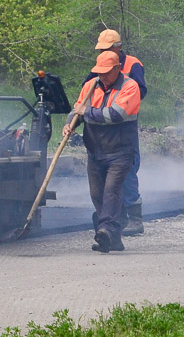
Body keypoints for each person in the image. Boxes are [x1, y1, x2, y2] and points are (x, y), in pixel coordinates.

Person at [63, 50, 141, 253]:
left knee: (111, 191)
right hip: (96, 150)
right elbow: (77, 109)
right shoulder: (91, 86)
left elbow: (115, 114)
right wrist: (70, 123)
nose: (102, 76)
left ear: (117, 69)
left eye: (106, 72)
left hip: (121, 151)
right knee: (97, 194)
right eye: (99, 72)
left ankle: (105, 230)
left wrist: (85, 112)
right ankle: (114, 237)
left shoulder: (130, 87)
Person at [93, 28, 147, 235]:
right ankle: (116, 218)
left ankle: (135, 219)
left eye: (106, 49)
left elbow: (140, 91)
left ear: (118, 47)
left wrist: (120, 95)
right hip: (103, 129)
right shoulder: (100, 65)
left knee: (128, 170)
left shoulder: (133, 64)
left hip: (123, 126)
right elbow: (89, 87)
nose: (102, 53)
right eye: (101, 49)